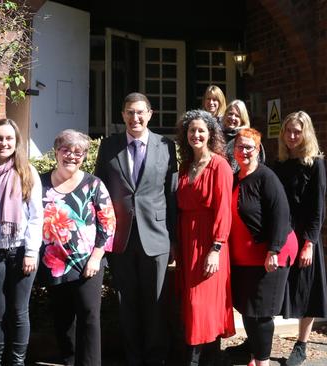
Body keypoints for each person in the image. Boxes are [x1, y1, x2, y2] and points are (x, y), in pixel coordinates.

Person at [94, 92, 178, 366]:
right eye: (130, 112)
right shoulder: (108, 147)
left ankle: (156, 359)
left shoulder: (166, 146)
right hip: (121, 238)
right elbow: (100, 193)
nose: (135, 118)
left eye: (140, 112)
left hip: (156, 237)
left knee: (156, 304)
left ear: (150, 114)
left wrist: (174, 239)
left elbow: (172, 194)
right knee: (126, 304)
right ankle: (133, 358)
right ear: (123, 115)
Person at [39, 129, 116, 366]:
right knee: (63, 319)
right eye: (66, 150)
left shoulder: (93, 184)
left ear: (84, 156)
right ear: (56, 152)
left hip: (87, 263)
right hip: (54, 263)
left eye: (78, 152)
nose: (72, 156)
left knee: (89, 317)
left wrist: (96, 257)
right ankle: (69, 361)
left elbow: (108, 223)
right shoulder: (39, 183)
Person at [0, 118, 43, 366]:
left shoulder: (27, 172)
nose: (3, 143)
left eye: (8, 138)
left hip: (20, 250)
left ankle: (17, 362)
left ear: (16, 142)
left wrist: (31, 252)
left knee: (19, 312)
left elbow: (37, 216)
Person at [229, 128, 298, 366]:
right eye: (240, 146)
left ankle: (263, 362)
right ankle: (254, 356)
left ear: (258, 150)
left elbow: (281, 214)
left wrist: (274, 250)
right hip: (243, 257)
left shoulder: (266, 177)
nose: (244, 151)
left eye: (249, 147)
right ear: (234, 150)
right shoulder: (235, 177)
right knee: (248, 310)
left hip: (269, 254)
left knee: (261, 313)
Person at [175, 110, 235, 365]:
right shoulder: (185, 167)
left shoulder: (219, 165)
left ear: (211, 134)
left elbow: (224, 210)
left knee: (202, 304)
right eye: (192, 130)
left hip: (209, 242)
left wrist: (216, 247)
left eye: (201, 130)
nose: (196, 135)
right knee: (190, 304)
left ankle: (198, 359)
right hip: (186, 241)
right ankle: (207, 358)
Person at [274, 111, 327, 366]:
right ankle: (256, 341)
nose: (292, 136)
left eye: (297, 132)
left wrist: (310, 243)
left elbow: (318, 208)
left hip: (305, 234)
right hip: (282, 234)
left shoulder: (315, 163)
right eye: (288, 131)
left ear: (306, 133)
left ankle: (302, 344)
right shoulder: (279, 162)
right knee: (274, 286)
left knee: (307, 290)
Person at [221, 100, 265, 173]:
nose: (232, 118)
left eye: (237, 116)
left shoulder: (249, 138)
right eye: (230, 114)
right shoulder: (218, 137)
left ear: (242, 119)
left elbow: (257, 165)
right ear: (225, 115)